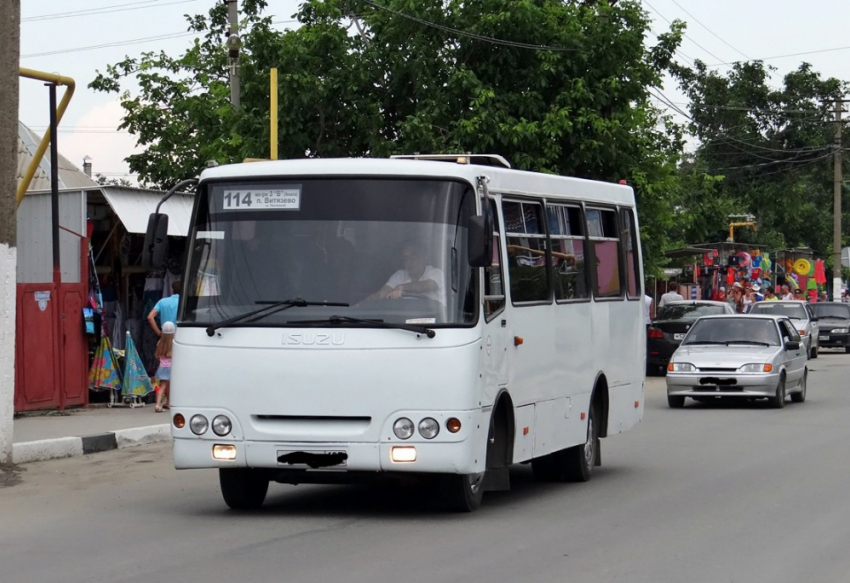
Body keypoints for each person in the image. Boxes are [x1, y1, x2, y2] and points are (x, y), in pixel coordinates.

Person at [369, 241, 444, 303]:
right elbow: (381, 294)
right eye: (406, 258)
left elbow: (428, 285)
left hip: (431, 316)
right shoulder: (399, 276)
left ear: (425, 258)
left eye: (414, 256)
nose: (409, 262)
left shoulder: (437, 273)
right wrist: (366, 303)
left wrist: (401, 288)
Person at [154, 321, 175, 413]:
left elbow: (158, 356)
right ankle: (161, 404)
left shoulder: (160, 343)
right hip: (170, 368)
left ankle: (163, 403)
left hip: (162, 367)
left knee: (164, 386)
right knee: (167, 386)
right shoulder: (174, 343)